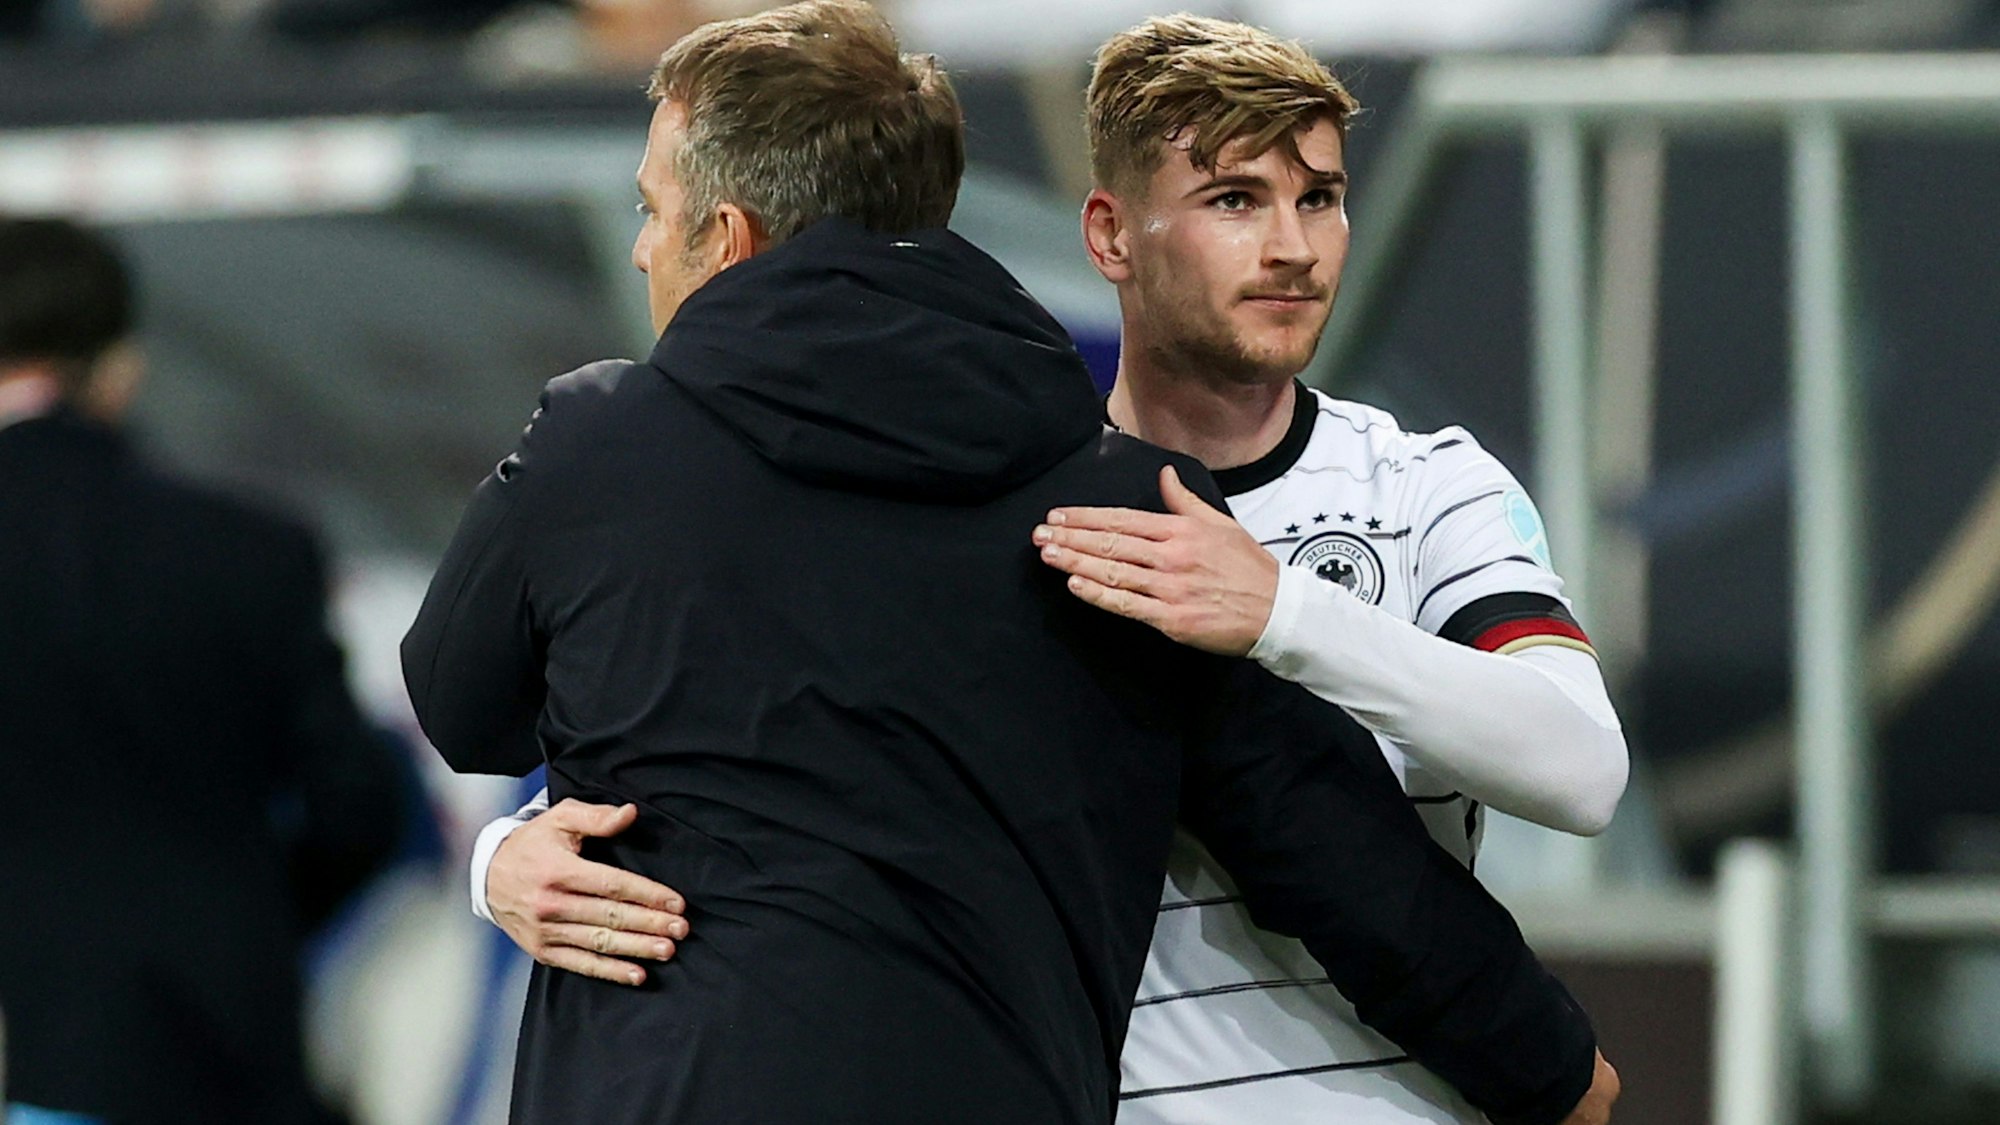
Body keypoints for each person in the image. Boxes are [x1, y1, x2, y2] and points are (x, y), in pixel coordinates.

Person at [405, 3, 1612, 1123]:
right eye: (1236, 201)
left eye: (650, 210)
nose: (637, 250)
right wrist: (1555, 1071)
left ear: (727, 239)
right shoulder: (1108, 513)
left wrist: (506, 852)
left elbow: (468, 710)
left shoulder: (602, 449)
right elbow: (1328, 847)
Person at [1024, 16, 1632, 1123]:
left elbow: (1581, 770)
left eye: (1319, 197)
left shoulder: (1423, 485)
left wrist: (1281, 613)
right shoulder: (1036, 515)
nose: (1293, 247)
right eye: (1233, 201)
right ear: (1110, 236)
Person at [0, 217, 406, 1124]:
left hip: (33, 1058)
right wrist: (248, 915)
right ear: (119, 367)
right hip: (231, 1054)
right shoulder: (253, 549)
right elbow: (360, 804)